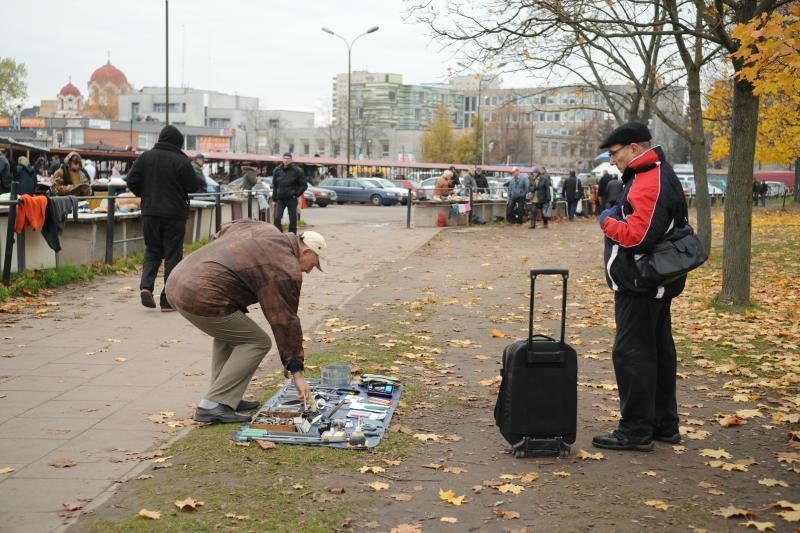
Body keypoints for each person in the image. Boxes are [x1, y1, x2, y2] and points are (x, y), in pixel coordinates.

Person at [165, 221, 326, 423]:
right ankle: (214, 404)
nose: (310, 271)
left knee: (232, 335)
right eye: (314, 264)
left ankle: (224, 397)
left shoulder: (264, 229)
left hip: (178, 280)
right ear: (306, 252)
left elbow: (224, 230)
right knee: (258, 342)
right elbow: (285, 320)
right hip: (200, 295)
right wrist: (297, 372)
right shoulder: (284, 266)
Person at [593, 121, 688, 452]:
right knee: (657, 352)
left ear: (635, 148)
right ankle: (663, 424)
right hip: (651, 281)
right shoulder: (653, 174)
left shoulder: (649, 179)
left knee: (632, 354)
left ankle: (635, 430)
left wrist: (606, 220)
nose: (612, 160)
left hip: (640, 282)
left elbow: (638, 236)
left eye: (615, 153)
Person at [126, 125, 200, 312]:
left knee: (152, 249)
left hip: (150, 213)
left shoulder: (145, 157)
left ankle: (145, 286)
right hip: (174, 214)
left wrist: (147, 195)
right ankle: (167, 301)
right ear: (178, 142)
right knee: (172, 255)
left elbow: (132, 180)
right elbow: (193, 186)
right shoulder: (181, 161)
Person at [271, 152, 307, 234]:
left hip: (291, 199)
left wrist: (296, 194)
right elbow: (275, 186)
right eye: (284, 158)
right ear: (282, 159)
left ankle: (292, 236)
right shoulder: (277, 170)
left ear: (291, 160)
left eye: (288, 158)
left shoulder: (297, 171)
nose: (286, 160)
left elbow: (304, 185)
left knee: (293, 220)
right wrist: (274, 199)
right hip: (280, 199)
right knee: (276, 218)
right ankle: (280, 235)